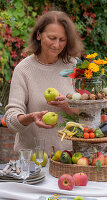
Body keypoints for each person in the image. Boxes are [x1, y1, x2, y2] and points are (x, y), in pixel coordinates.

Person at [5, 10, 83, 156]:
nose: (57, 45)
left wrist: (69, 107)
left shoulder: (74, 67)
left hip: (70, 157)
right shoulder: (24, 70)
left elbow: (89, 114)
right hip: (33, 160)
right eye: (52, 38)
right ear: (38, 35)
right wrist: (31, 118)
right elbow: (11, 120)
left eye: (62, 39)